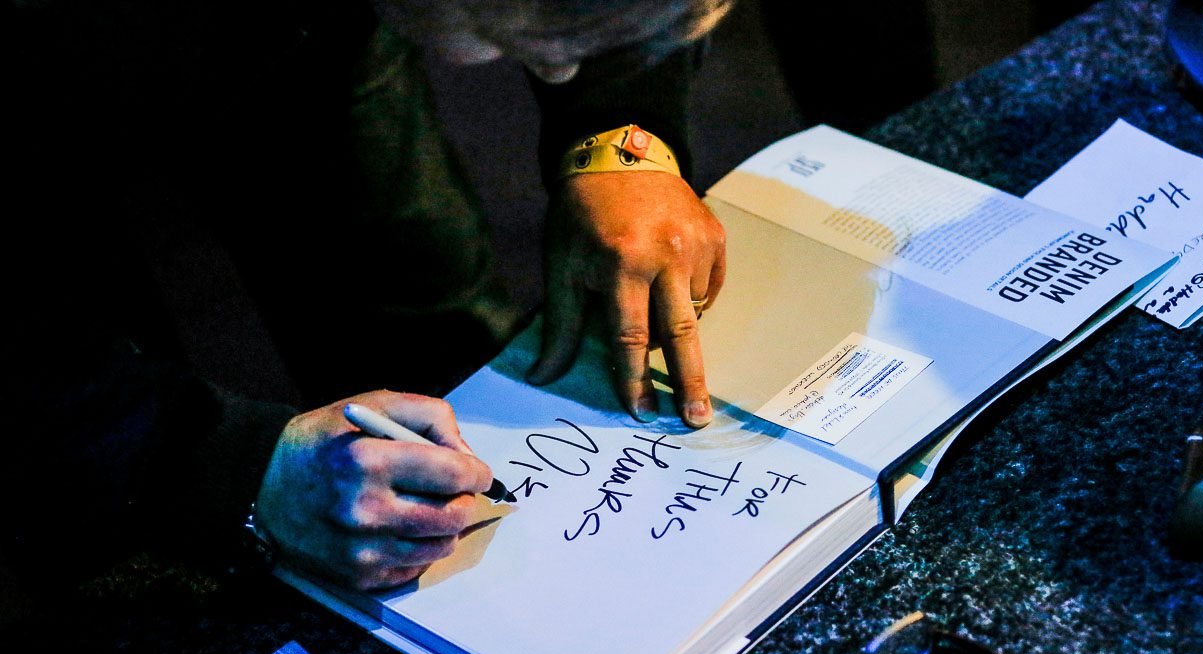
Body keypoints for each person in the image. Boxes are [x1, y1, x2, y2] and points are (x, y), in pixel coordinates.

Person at [4, 0, 732, 591]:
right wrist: (224, 467)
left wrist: (621, 139)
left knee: (438, 350)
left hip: (319, 40)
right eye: (531, 34)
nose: (559, 68)